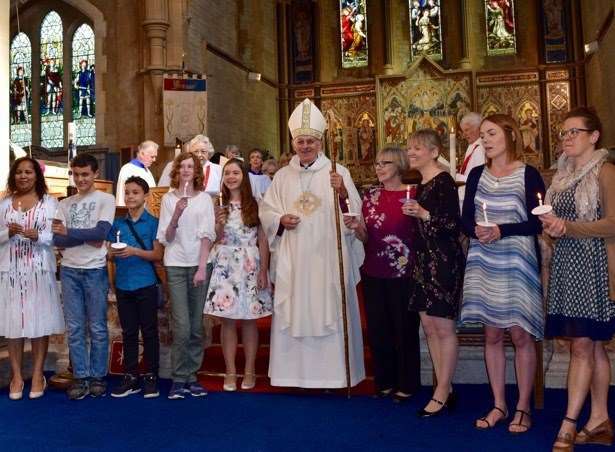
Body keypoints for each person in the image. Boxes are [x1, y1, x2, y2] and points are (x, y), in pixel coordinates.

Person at [259, 98, 366, 388]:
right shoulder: (282, 176)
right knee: (294, 308)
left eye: (310, 141)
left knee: (328, 307)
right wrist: (280, 220)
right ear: (294, 143)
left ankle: (333, 376)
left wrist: (342, 192)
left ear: (320, 143)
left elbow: (353, 214)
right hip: (294, 257)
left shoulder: (337, 172)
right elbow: (266, 211)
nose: (304, 146)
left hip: (326, 256)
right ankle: (291, 376)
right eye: (299, 141)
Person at [460, 114, 545, 433]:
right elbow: (465, 217)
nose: (485, 140)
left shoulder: (528, 174)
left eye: (491, 133)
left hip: (517, 260)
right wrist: (477, 230)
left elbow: (538, 221)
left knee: (520, 333)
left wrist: (502, 229)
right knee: (492, 333)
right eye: (482, 135)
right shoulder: (477, 174)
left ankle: (523, 407)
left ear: (510, 134)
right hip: (485, 260)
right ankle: (499, 404)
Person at [541, 107, 615, 450]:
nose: (567, 138)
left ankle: (568, 423)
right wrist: (553, 227)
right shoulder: (562, 176)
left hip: (595, 264)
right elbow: (562, 225)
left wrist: (567, 227)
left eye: (574, 132)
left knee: (583, 346)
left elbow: (613, 222)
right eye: (564, 132)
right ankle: (599, 418)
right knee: (592, 346)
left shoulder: (606, 171)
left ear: (594, 136)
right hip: (569, 263)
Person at [343, 147, 421, 401]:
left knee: (404, 329)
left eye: (384, 163)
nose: (378, 167)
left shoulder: (413, 195)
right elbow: (366, 236)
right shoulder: (371, 195)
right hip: (373, 269)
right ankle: (384, 381)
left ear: (398, 165)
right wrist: (357, 227)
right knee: (379, 328)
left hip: (404, 271)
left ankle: (407, 384)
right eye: (376, 163)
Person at [404, 129, 465, 417]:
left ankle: (441, 390)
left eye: (417, 148)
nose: (411, 153)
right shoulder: (421, 182)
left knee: (443, 328)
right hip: (423, 259)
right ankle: (445, 386)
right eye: (409, 149)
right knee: (428, 327)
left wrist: (424, 214)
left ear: (434, 152)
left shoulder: (444, 182)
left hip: (443, 261)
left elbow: (455, 225)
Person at [204, 159, 272, 391]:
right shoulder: (217, 204)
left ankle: (250, 369)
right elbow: (211, 239)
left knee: (250, 321)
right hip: (225, 264)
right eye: (227, 173)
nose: (231, 177)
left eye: (235, 173)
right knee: (228, 321)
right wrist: (219, 225)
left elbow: (263, 239)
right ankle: (231, 370)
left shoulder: (256, 203)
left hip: (250, 263)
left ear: (244, 176)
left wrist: (264, 270)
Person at [52, 153, 116, 400]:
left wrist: (70, 233)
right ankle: (81, 376)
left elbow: (101, 234)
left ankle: (98, 376)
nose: (80, 179)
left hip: (94, 270)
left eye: (85, 174)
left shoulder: (105, 199)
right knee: (76, 328)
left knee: (98, 327)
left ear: (95, 174)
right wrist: (77, 235)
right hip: (69, 270)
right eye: (76, 174)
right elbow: (58, 239)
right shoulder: (64, 204)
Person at [0, 157, 64, 400]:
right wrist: (8, 232)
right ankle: (16, 376)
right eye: (19, 172)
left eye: (28, 172)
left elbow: (57, 235)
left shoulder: (50, 203)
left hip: (38, 269)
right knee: (13, 324)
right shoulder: (4, 203)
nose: (23, 176)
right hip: (11, 271)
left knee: (40, 322)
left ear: (37, 175)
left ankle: (38, 375)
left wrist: (39, 236)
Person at [156, 151, 215, 399]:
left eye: (191, 166)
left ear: (197, 171)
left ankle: (192, 376)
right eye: (183, 166)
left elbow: (207, 235)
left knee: (195, 325)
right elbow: (166, 237)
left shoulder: (205, 200)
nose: (187, 170)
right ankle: (179, 377)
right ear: (177, 170)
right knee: (180, 324)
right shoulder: (169, 199)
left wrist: (202, 267)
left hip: (200, 263)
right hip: (176, 265)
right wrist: (177, 214)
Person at [108, 176, 163, 399]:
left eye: (135, 192)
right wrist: (112, 252)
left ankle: (151, 375)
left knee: (149, 332)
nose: (130, 196)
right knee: (128, 332)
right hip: (123, 284)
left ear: (145, 196)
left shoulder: (153, 223)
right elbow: (109, 253)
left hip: (146, 283)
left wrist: (134, 251)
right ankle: (130, 376)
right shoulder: (118, 224)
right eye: (127, 192)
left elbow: (158, 254)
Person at [457, 112, 486, 207]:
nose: (464, 135)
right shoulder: (472, 146)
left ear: (478, 128)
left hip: (474, 198)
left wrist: (455, 175)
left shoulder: (482, 148)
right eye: (463, 131)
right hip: (463, 195)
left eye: (467, 130)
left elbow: (478, 179)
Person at [116, 140, 158, 206]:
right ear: (142, 153)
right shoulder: (127, 169)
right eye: (152, 157)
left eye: (155, 157)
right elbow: (122, 195)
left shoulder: (147, 170)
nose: (154, 160)